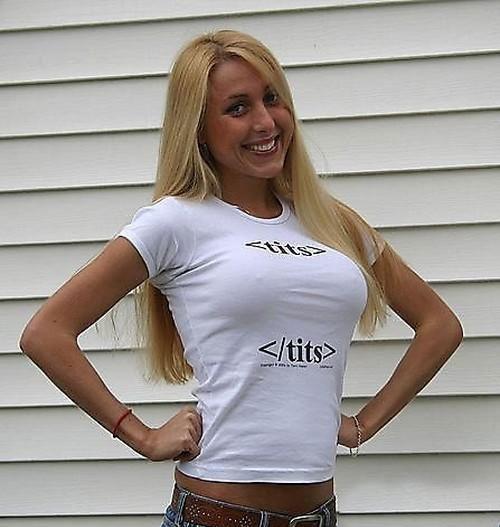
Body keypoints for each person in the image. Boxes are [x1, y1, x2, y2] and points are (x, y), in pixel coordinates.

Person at [19, 29, 463, 527]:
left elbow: (440, 325)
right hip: (217, 513)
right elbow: (46, 333)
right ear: (199, 129)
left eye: (272, 98)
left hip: (319, 515)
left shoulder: (332, 221)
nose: (265, 122)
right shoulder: (175, 222)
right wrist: (140, 435)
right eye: (237, 108)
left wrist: (364, 424)